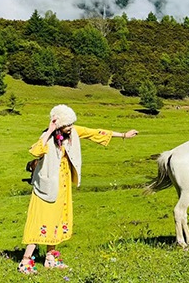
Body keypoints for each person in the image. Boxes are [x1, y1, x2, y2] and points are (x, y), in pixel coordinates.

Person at [18, 104, 138, 274]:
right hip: (46, 187)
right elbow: (36, 151)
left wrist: (124, 135)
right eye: (67, 125)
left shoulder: (73, 132)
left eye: (71, 124)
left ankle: (51, 259)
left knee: (57, 221)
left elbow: (94, 133)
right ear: (59, 125)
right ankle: (25, 262)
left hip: (63, 186)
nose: (71, 128)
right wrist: (50, 129)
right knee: (40, 221)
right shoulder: (48, 136)